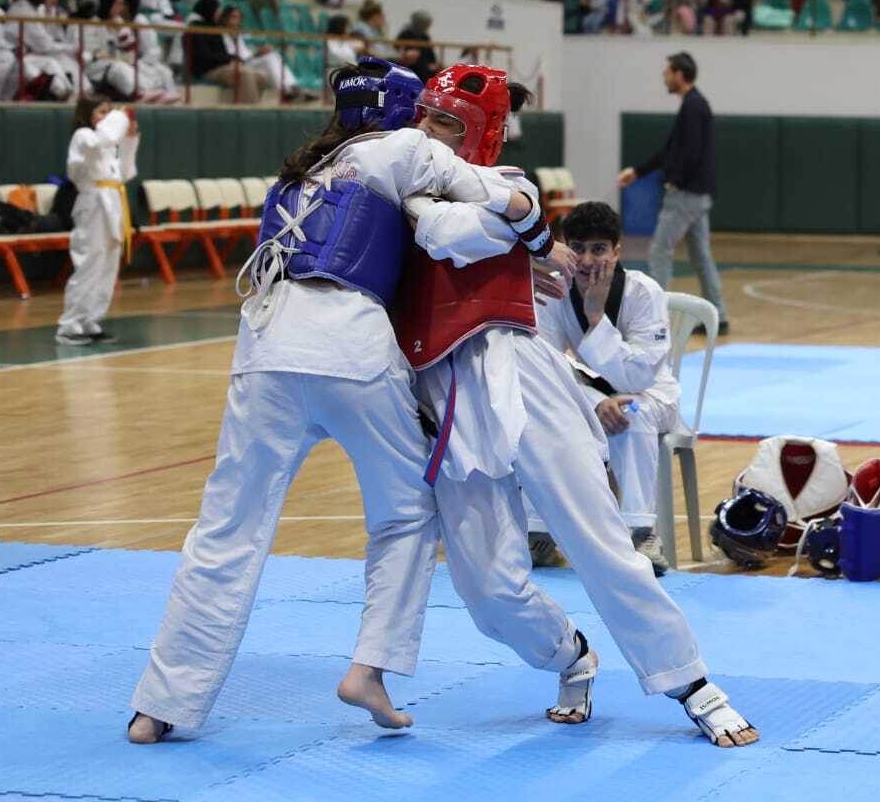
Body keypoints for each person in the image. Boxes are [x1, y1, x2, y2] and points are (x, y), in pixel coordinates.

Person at [127, 62, 525, 743]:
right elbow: (490, 191)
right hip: (350, 349)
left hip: (263, 351)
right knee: (404, 513)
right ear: (401, 111)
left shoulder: (297, 172)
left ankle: (160, 703)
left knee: (225, 531)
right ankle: (371, 666)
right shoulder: (400, 148)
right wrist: (535, 226)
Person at [395, 66, 758, 748]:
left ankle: (690, 678)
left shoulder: (509, 186)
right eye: (421, 115)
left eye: (444, 121)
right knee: (488, 593)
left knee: (598, 540)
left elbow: (447, 232)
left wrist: (468, 224)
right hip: (445, 391)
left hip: (520, 368)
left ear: (481, 133)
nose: (425, 131)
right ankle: (571, 655)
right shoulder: (397, 183)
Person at [528, 201, 680, 565]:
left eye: (598, 249)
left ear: (617, 250)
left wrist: (596, 317)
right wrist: (594, 399)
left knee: (633, 414)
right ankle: (538, 529)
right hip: (587, 395)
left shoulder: (644, 292)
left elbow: (639, 375)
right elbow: (545, 363)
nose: (586, 260)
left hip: (651, 396)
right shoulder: (554, 290)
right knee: (535, 413)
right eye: (577, 247)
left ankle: (642, 532)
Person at [617, 51, 728, 326]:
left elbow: (690, 152)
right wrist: (638, 172)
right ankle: (719, 316)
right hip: (698, 194)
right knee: (701, 256)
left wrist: (675, 180)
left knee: (659, 251)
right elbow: (671, 150)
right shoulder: (693, 104)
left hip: (686, 195)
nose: (664, 78)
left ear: (679, 74)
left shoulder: (694, 107)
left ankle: (655, 320)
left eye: (667, 72)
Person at [56, 98, 139, 346]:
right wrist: (119, 118)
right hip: (92, 204)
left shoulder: (108, 142)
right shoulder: (83, 136)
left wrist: (129, 139)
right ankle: (70, 324)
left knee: (108, 264)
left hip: (113, 203)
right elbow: (99, 141)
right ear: (88, 116)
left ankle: (91, 320)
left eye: (109, 112)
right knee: (90, 262)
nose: (108, 117)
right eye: (102, 112)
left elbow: (125, 173)